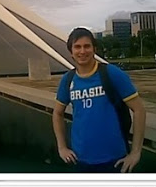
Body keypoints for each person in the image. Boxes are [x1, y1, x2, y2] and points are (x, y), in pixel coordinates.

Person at [52, 27, 146, 173]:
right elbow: (57, 113)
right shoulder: (68, 80)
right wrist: (62, 147)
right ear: (71, 52)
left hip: (114, 159)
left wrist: (135, 152)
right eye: (77, 47)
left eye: (87, 46)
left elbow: (139, 109)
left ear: (94, 49)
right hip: (80, 159)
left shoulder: (112, 74)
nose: (82, 51)